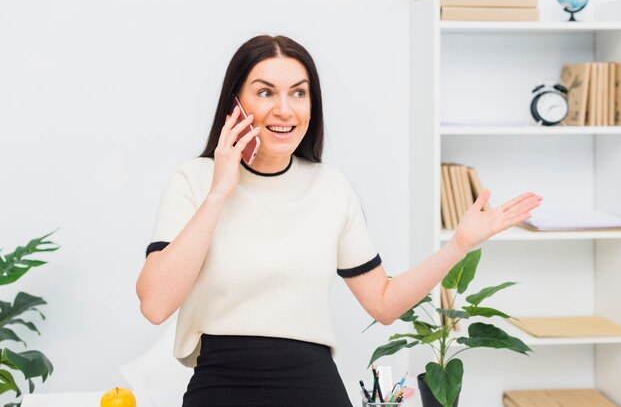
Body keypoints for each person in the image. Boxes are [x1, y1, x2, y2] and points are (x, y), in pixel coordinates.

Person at [135, 35, 542, 407]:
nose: (284, 109)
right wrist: (220, 191)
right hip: (220, 383)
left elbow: (383, 303)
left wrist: (459, 245)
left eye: (299, 93)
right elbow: (155, 304)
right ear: (235, 104)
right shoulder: (194, 180)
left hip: (313, 385)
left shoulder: (330, 187)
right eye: (265, 92)